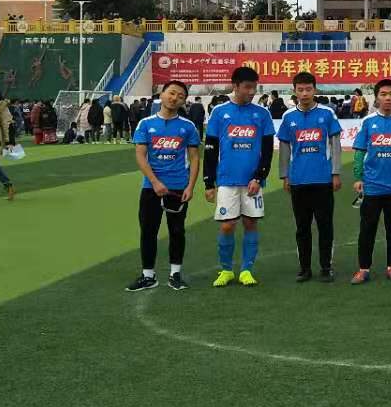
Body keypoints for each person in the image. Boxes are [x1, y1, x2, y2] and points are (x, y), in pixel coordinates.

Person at [204, 66, 275, 287]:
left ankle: (246, 270)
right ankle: (226, 270)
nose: (252, 91)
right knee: (227, 226)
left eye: (254, 87)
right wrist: (208, 181)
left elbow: (267, 150)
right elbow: (210, 148)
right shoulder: (219, 113)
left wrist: (259, 176)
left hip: (252, 181)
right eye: (247, 87)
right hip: (226, 179)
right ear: (235, 86)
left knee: (251, 223)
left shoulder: (262, 114)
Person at [127, 81, 201, 292]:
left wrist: (190, 186)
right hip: (151, 188)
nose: (174, 98)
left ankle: (175, 274)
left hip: (178, 187)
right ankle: (148, 275)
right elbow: (140, 156)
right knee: (148, 231)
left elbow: (195, 158)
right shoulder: (146, 124)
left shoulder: (188, 127)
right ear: (162, 94)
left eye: (180, 96)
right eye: (171, 93)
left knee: (177, 231)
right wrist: (155, 182)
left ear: (183, 101)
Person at [277, 72, 343, 283]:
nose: (304, 93)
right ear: (294, 91)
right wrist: (284, 175)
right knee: (302, 227)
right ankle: (304, 268)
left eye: (308, 89)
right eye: (300, 89)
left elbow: (335, 145)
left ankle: (326, 267)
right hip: (298, 181)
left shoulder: (327, 114)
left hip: (323, 180)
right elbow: (285, 148)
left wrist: (335, 172)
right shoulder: (289, 117)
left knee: (325, 226)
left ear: (315, 90)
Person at [351, 78, 391, 284]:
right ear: (376, 97)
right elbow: (360, 151)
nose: (387, 98)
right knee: (367, 229)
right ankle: (363, 268)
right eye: (383, 94)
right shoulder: (368, 122)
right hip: (372, 186)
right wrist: (358, 177)